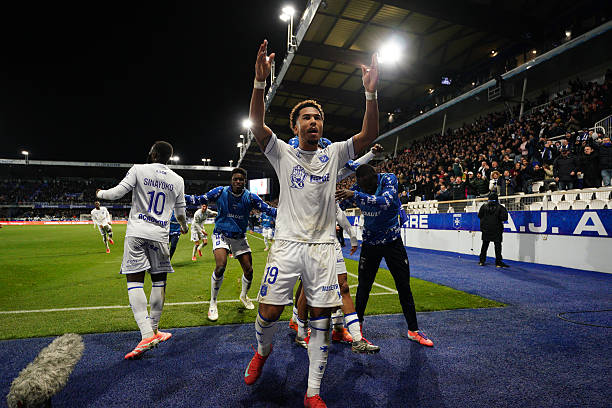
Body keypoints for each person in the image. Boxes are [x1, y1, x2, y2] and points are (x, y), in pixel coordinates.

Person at [244, 39, 380, 407]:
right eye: (306, 117)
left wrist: (370, 94)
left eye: (317, 117)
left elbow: (368, 136)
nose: (313, 121)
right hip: (287, 245)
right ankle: (262, 351)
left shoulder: (333, 153)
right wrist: (259, 83)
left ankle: (313, 392)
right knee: (269, 312)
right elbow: (256, 125)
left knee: (320, 317)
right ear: (296, 126)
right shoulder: (282, 153)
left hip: (322, 248)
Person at [288, 140, 383, 354]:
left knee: (343, 287)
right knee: (307, 289)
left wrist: (370, 154)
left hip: (330, 240)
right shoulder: (294, 174)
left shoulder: (329, 173)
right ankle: (301, 331)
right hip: (308, 240)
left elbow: (352, 167)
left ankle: (355, 338)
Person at [96, 141, 188, 359]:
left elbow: (116, 193)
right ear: (168, 157)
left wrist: (100, 193)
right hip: (160, 236)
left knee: (135, 282)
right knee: (159, 282)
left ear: (153, 154)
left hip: (137, 234)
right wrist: (184, 227)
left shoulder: (138, 169)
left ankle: (147, 334)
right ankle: (154, 330)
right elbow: (180, 213)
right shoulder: (178, 180)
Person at [336, 164, 434, 349]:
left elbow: (385, 201)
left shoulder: (388, 179)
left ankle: (413, 330)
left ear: (376, 178)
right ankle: (358, 329)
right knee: (364, 287)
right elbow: (338, 206)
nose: (366, 190)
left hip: (392, 242)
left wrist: (356, 195)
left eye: (369, 187)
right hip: (370, 244)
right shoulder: (358, 188)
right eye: (363, 188)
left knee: (404, 286)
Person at [185, 168, 277, 321]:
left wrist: (289, 213)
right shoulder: (220, 192)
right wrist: (179, 196)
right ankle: (213, 302)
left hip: (239, 237)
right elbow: (200, 199)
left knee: (249, 271)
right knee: (221, 266)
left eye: (241, 179)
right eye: (235, 179)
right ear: (231, 180)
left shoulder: (251, 197)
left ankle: (244, 296)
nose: (238, 181)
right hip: (221, 234)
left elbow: (269, 210)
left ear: (245, 181)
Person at [478, 192, 509, 268]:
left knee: (485, 245)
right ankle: (498, 262)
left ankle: (482, 261)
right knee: (497, 246)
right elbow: (504, 218)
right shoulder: (501, 207)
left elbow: (479, 216)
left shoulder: (483, 206)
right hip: (497, 229)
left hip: (486, 228)